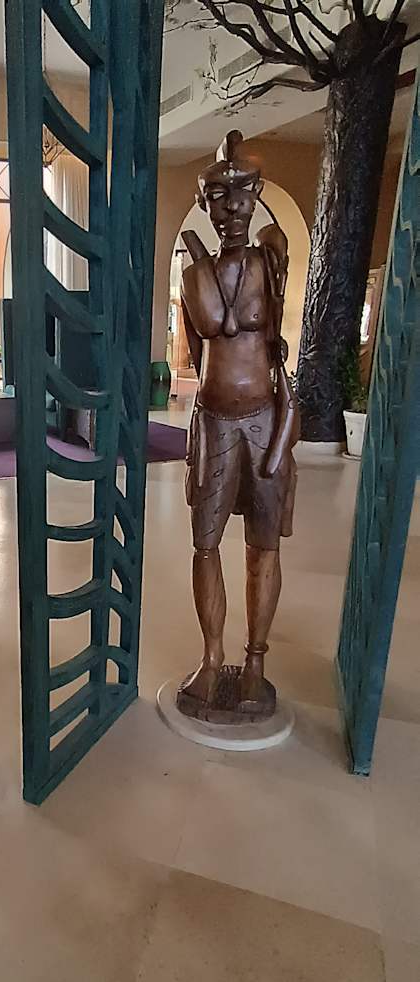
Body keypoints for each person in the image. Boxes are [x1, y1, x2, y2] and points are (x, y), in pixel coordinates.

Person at [178, 130, 298, 716]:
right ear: (204, 204)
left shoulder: (270, 261)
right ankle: (211, 657)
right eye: (217, 197)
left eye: (242, 195)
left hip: (265, 420)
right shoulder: (193, 271)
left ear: (256, 197)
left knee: (262, 547)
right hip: (214, 424)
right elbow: (198, 340)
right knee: (205, 545)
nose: (230, 209)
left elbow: (271, 344)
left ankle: (254, 661)